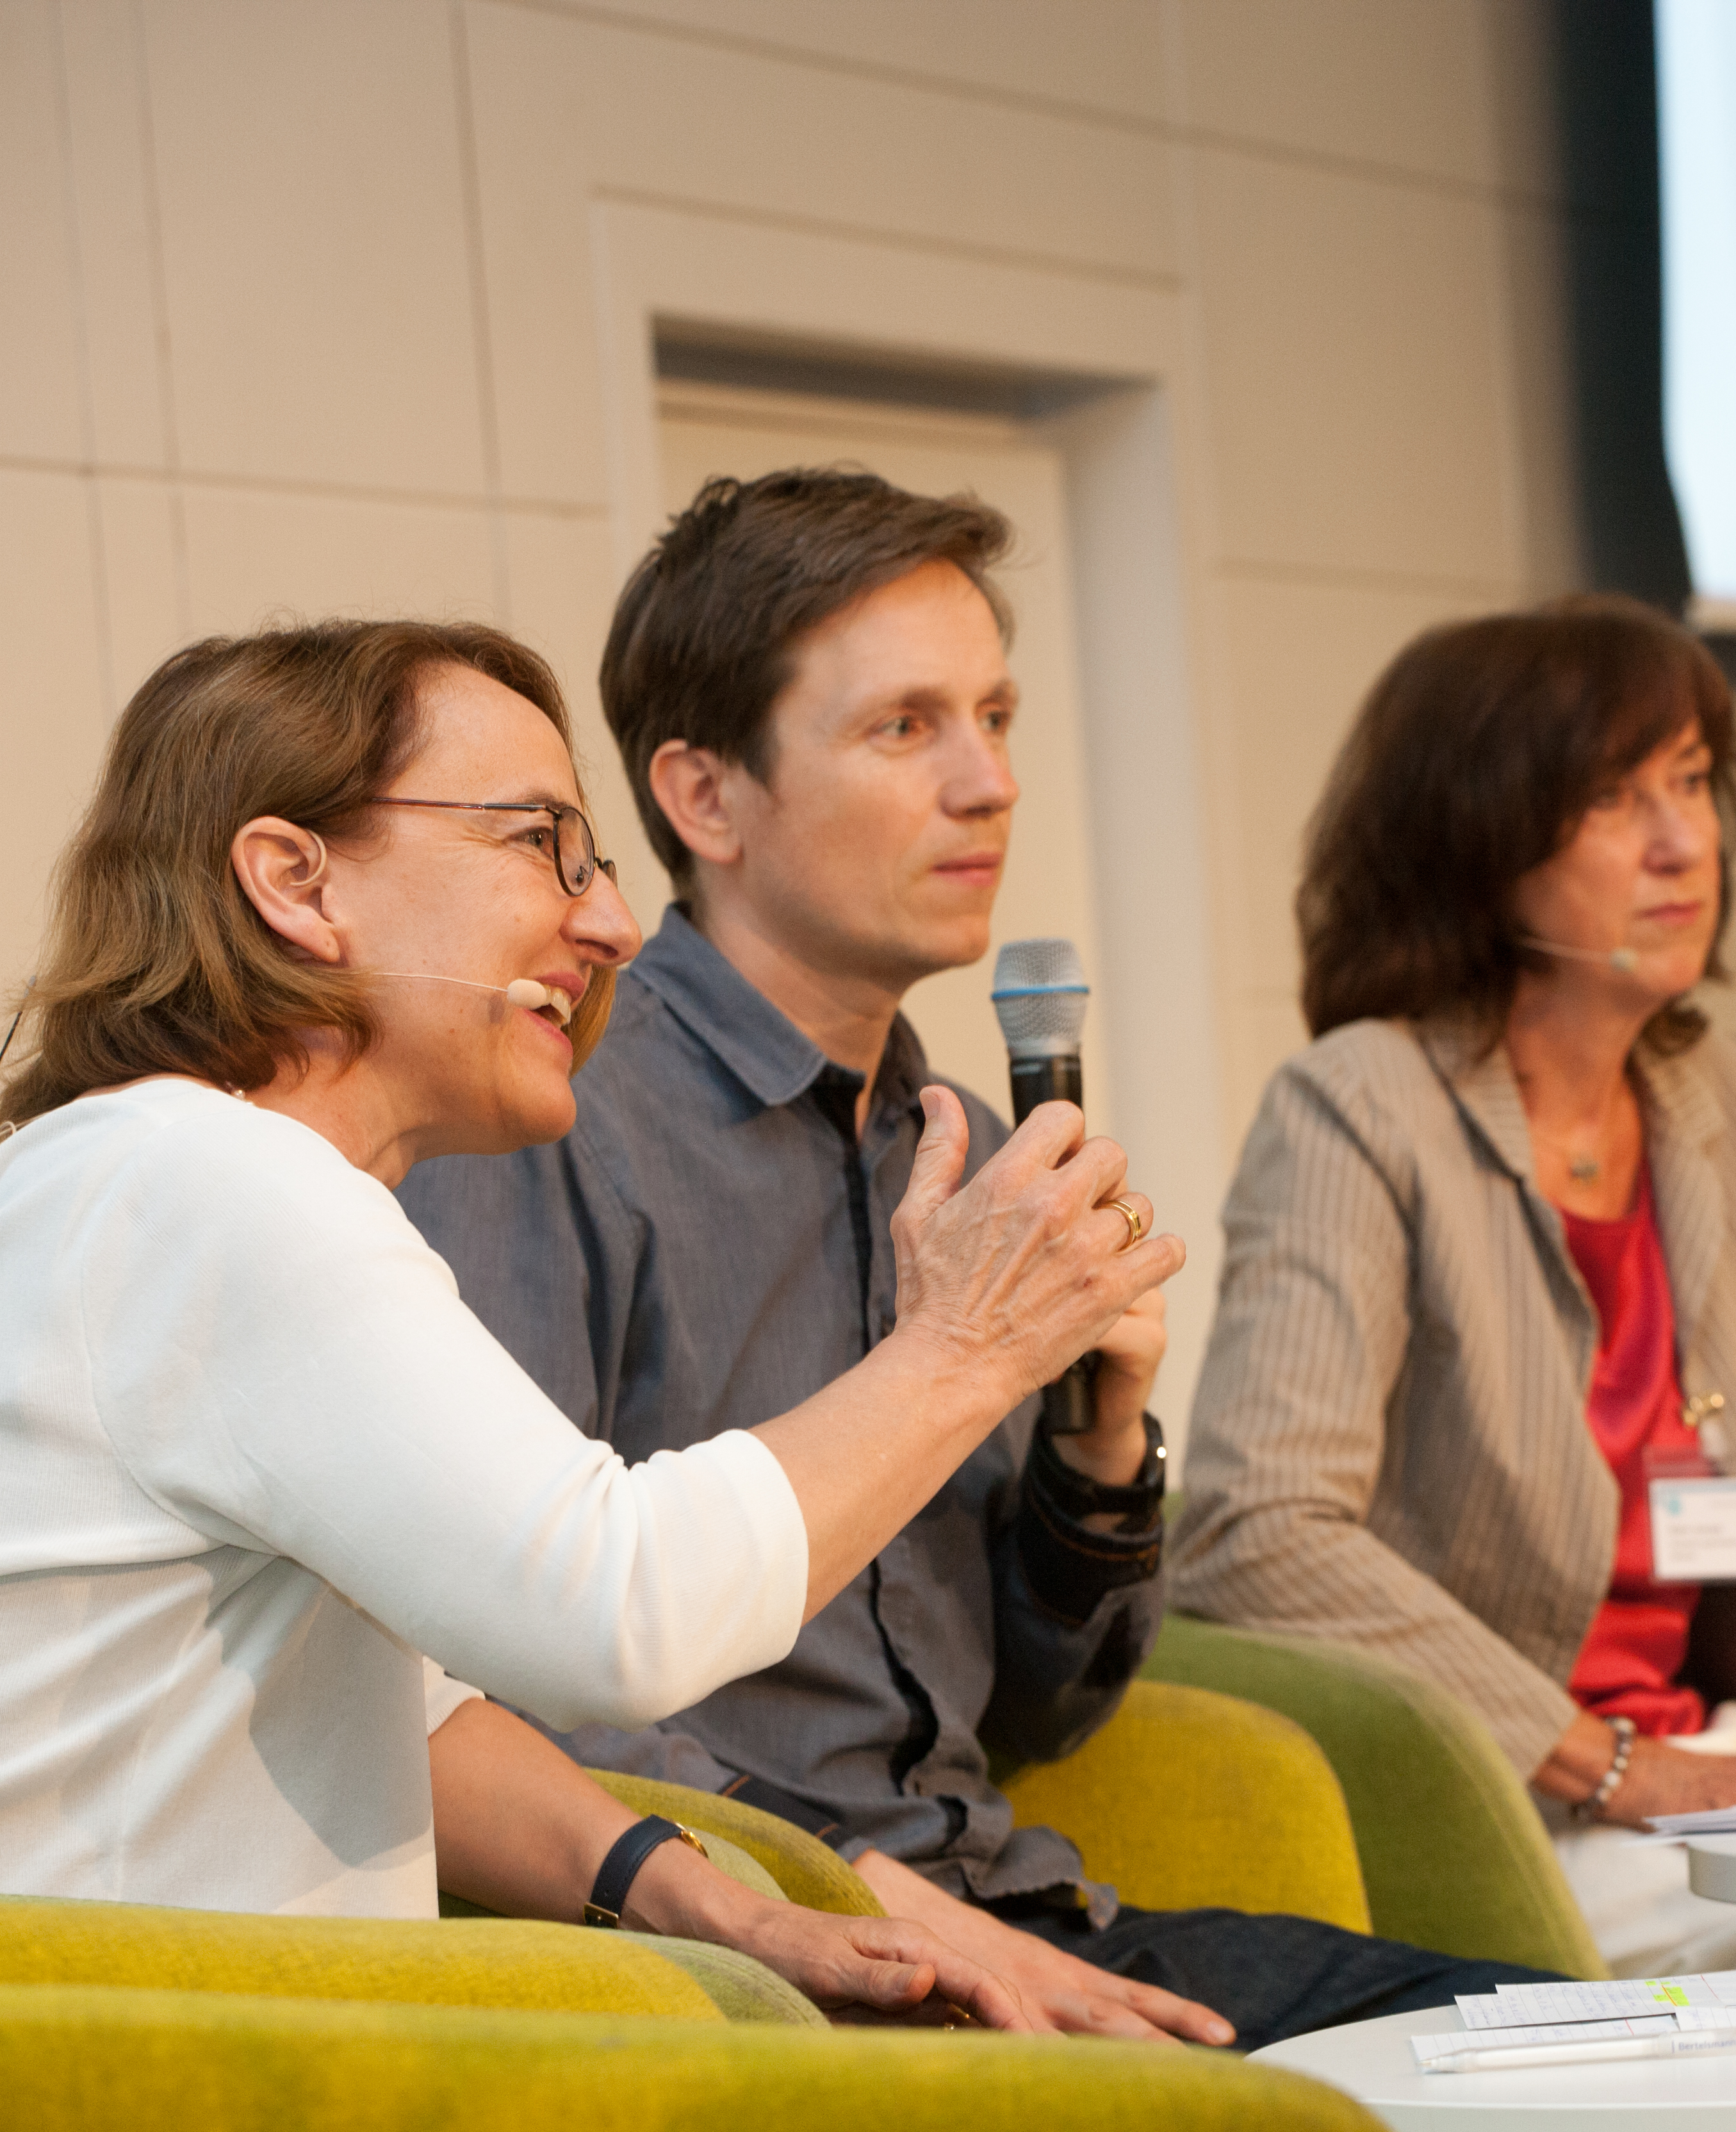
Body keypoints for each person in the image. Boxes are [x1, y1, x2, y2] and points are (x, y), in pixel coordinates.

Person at [0, 618, 1191, 2029]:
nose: (615, 924)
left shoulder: (123, 1175)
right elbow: (621, 1605)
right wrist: (968, 1347)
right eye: (539, 844)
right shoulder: (211, 1184)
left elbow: (411, 1707)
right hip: (79, 2066)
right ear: (295, 881)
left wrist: (706, 1894)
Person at [400, 469, 1552, 2054]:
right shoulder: (555, 1114)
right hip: (753, 1960)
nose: (988, 780)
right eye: (906, 728)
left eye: (997, 717)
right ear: (703, 795)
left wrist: (1095, 1440)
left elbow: (1032, 1710)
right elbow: (496, 1659)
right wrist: (837, 1884)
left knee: (1573, 2045)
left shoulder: (947, 1133)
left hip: (1006, 1901)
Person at [1170, 595, 1736, 1979]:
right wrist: (1602, 1758)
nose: (1683, 841)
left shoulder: (1725, 1093)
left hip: (1716, 1762)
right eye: (1615, 797)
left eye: (1689, 783)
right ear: (1477, 844)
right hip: (1504, 1794)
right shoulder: (1360, 1105)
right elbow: (1259, 1527)